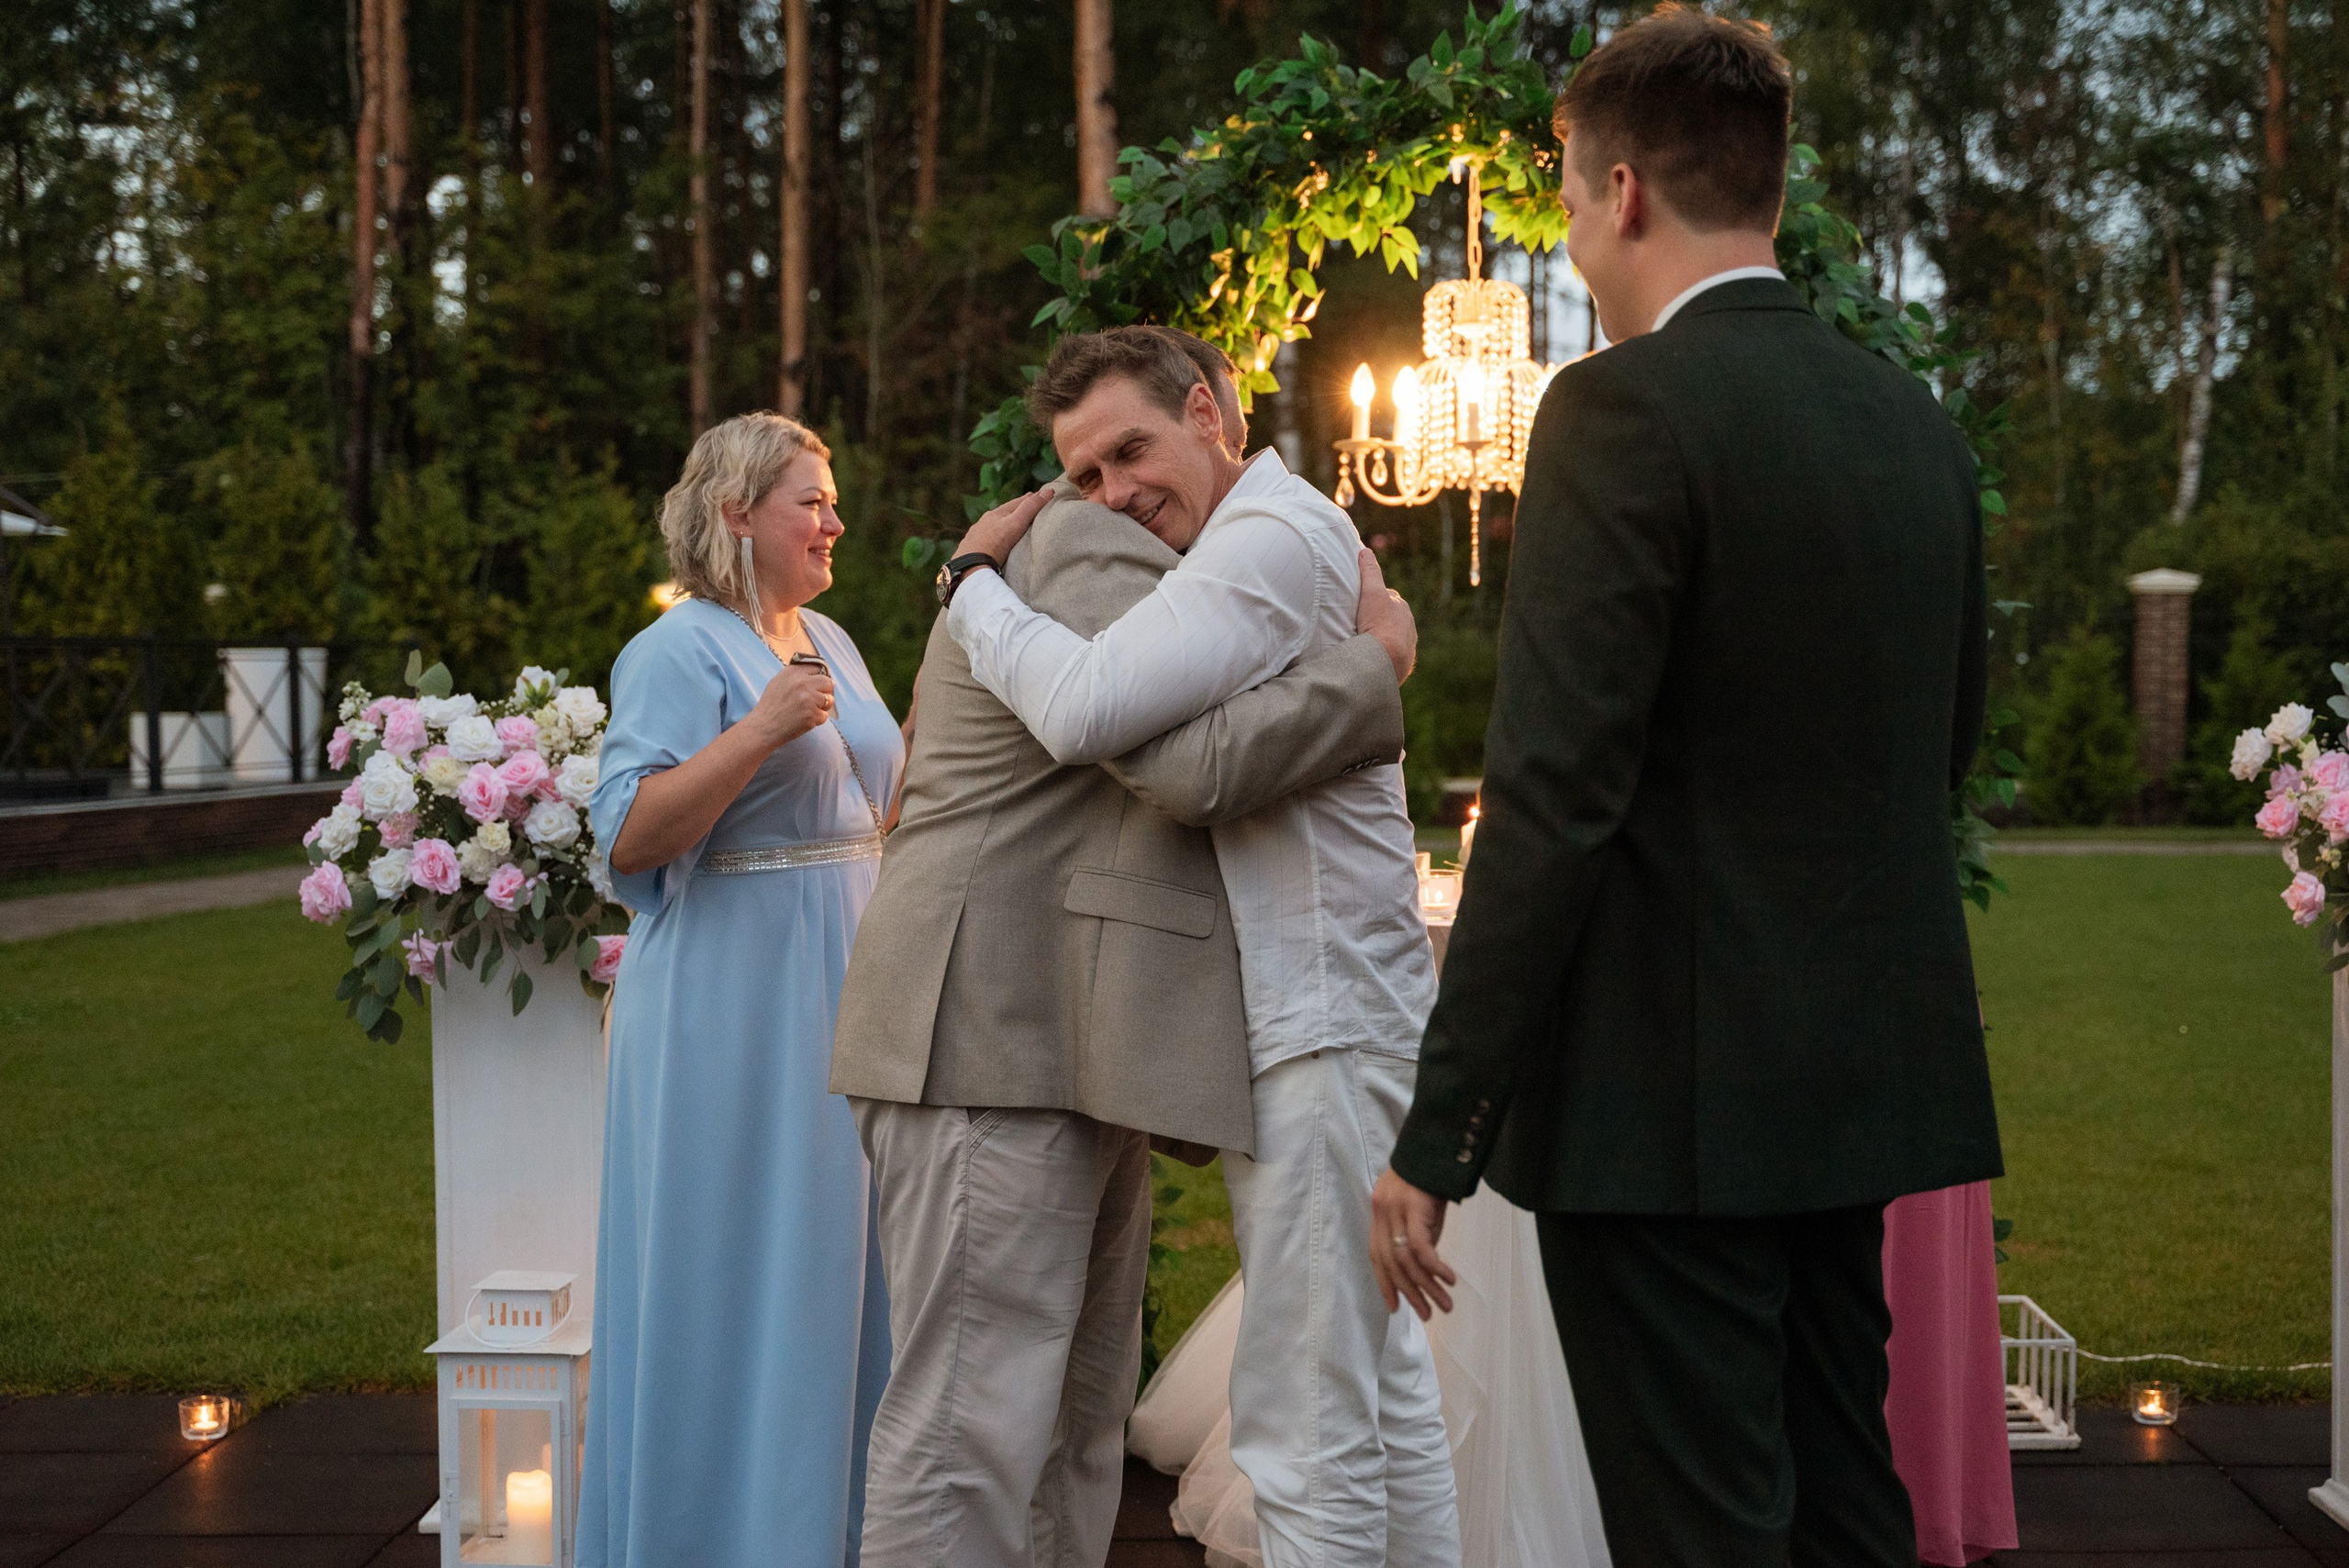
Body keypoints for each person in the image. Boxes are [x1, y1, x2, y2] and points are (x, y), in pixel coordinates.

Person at [1369, 9, 2002, 1566]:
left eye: (1569, 202)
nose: (1574, 237)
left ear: (1626, 189)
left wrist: (1438, 1133)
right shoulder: (1911, 423)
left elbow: (1552, 797)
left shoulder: (1618, 407)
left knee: (1702, 1529)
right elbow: (1939, 753)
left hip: (1663, 1105)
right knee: (1847, 1501)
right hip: (1853, 1079)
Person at [829, 328, 1419, 1568]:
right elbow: (1186, 765)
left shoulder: (1167, 549)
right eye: (1086, 468)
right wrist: (1375, 666)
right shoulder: (1086, 546)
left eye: (1130, 454)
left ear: (1208, 412)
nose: (1112, 491)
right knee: (970, 1428)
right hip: (987, 1029)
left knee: (1065, 1424)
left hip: (1052, 1039)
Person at [581, 413, 900, 1567]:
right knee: (734, 1268)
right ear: (735, 513)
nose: (834, 520)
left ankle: (836, 1534)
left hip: (847, 984)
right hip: (732, 1005)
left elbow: (874, 804)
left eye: (831, 498)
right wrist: (760, 729)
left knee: (839, 1268)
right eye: (811, 500)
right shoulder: (676, 649)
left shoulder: (830, 636)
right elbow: (625, 838)